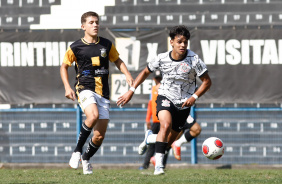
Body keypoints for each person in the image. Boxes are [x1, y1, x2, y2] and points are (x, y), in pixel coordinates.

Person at [117, 25, 212, 175]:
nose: (182, 45)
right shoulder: (161, 58)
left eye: (185, 42)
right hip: (165, 97)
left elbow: (207, 82)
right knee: (165, 125)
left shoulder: (194, 60)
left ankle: (150, 138)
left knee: (169, 141)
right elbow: (145, 72)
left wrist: (194, 97)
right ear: (172, 42)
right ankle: (159, 166)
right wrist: (131, 90)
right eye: (179, 42)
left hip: (184, 104)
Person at [60, 11, 134, 175]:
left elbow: (117, 60)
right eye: (91, 22)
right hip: (84, 88)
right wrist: (67, 87)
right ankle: (77, 151)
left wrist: (127, 74)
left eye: (97, 22)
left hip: (103, 93)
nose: (95, 25)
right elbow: (64, 66)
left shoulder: (106, 44)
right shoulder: (75, 47)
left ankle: (86, 158)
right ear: (83, 26)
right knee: (92, 116)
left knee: (99, 136)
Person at [139, 69, 171, 170]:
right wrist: (148, 119)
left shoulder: (167, 89)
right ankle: (145, 164)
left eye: (160, 78)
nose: (159, 80)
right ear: (154, 79)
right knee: (152, 146)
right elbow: (150, 105)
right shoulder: (153, 90)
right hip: (156, 121)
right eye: (157, 79)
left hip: (165, 120)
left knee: (166, 143)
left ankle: (161, 164)